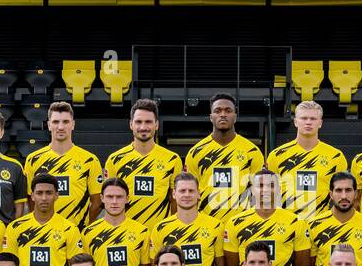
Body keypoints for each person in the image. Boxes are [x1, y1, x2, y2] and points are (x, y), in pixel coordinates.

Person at [223, 169, 310, 266]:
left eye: (271, 186)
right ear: (252, 190)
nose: (266, 190)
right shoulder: (235, 223)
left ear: (279, 189)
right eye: (261, 186)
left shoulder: (296, 222)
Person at [4, 172, 83, 266]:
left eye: (49, 193)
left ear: (57, 195)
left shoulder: (69, 229)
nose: (44, 198)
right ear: (32, 196)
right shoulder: (16, 227)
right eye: (39, 193)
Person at [147, 172, 226, 266]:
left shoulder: (216, 226)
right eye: (182, 191)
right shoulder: (161, 228)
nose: (187, 194)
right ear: (174, 194)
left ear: (199, 194)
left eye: (191, 191)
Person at [184, 92, 265, 220]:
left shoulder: (252, 152)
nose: (223, 114)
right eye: (218, 111)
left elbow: (260, 194)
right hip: (206, 226)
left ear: (235, 116)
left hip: (241, 225)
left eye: (228, 111)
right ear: (211, 117)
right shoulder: (196, 153)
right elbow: (188, 194)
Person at [23, 101, 104, 228]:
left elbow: (97, 201)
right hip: (44, 234)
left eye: (65, 122)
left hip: (77, 234)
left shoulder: (89, 160)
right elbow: (30, 199)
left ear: (73, 124)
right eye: (55, 122)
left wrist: (84, 224)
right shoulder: (33, 160)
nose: (60, 127)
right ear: (49, 125)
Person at [104, 98, 183, 227]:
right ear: (131, 124)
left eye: (148, 122)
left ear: (156, 125)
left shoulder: (172, 159)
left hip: (158, 238)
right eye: (138, 122)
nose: (143, 127)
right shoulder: (115, 160)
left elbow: (175, 200)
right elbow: (110, 200)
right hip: (126, 237)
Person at [265, 100, 348, 221]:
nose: (308, 122)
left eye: (313, 119)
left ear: (320, 123)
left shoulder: (336, 157)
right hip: (287, 225)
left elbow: (343, 196)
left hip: (322, 224)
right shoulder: (277, 156)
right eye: (304, 118)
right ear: (295, 122)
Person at [82, 177, 152, 266]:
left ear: (127, 198)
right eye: (110, 196)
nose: (114, 202)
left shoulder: (141, 231)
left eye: (119, 197)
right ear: (102, 198)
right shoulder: (88, 233)